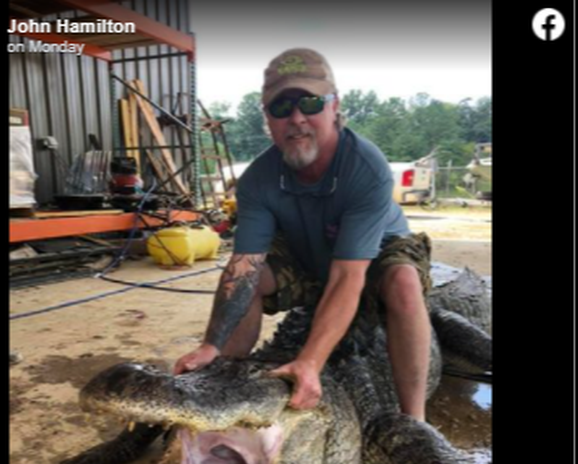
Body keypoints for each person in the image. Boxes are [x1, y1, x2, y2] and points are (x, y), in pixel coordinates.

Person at [173, 48, 434, 421]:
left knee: (404, 283)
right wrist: (210, 344)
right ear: (267, 119)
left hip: (373, 255)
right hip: (308, 253)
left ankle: (415, 421)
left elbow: (349, 275)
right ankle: (222, 389)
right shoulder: (257, 180)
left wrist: (309, 362)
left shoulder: (367, 167)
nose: (296, 118)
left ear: (334, 106)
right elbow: (243, 266)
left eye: (310, 103)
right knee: (253, 278)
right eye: (281, 108)